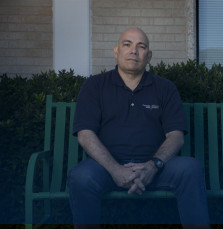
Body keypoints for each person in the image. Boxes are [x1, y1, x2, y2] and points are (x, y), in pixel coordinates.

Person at [68, 27, 210, 228]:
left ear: (149, 56)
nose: (133, 51)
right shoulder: (94, 86)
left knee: (190, 169)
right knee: (81, 177)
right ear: (116, 51)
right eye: (127, 45)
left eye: (141, 46)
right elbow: (85, 134)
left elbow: (176, 136)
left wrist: (152, 166)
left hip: (157, 167)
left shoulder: (165, 88)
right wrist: (115, 170)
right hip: (105, 168)